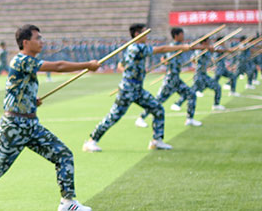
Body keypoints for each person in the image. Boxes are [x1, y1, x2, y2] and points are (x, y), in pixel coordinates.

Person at [0, 24, 100, 211]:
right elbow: (58, 66)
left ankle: (68, 201)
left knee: (63, 155)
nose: (41, 41)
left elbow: (19, 89)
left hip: (31, 125)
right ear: (25, 42)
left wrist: (32, 100)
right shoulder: (21, 60)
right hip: (13, 126)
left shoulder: (28, 61)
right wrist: (87, 65)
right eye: (37, 38)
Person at [83, 24, 194, 153]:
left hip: (137, 89)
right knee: (114, 116)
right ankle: (91, 141)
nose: (147, 36)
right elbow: (160, 49)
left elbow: (121, 65)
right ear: (137, 34)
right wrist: (182, 47)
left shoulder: (131, 48)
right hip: (128, 90)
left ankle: (157, 141)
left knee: (157, 109)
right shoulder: (137, 48)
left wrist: (135, 70)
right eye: (144, 33)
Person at [134, 28, 202, 129]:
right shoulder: (173, 47)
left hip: (176, 79)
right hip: (170, 80)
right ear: (176, 35)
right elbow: (167, 56)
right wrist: (168, 60)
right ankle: (141, 118)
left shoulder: (178, 47)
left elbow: (164, 57)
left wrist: (165, 60)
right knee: (157, 102)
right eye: (182, 34)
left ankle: (189, 119)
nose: (183, 36)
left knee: (191, 95)